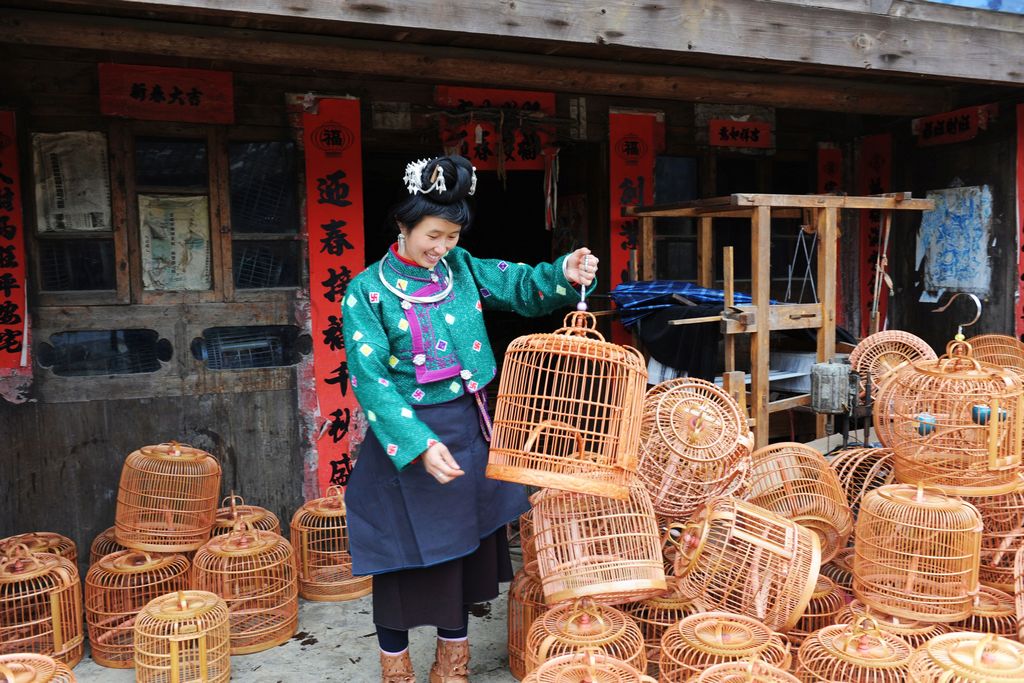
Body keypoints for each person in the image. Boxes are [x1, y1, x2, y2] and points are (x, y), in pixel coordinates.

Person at [341, 154, 598, 683]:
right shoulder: (365, 292)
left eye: (452, 237)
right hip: (405, 441)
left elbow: (518, 286)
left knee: (459, 559)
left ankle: (451, 669)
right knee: (399, 561)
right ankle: (397, 672)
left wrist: (561, 273)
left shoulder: (460, 269)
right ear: (402, 225)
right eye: (433, 235)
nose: (441, 249)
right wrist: (416, 443)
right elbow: (370, 380)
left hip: (469, 429)